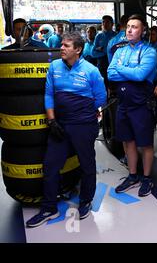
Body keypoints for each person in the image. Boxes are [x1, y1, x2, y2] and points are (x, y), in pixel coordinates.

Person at [26, 32, 107, 227]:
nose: (61, 48)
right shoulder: (54, 67)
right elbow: (48, 94)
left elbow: (101, 98)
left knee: (87, 165)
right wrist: (52, 121)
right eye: (61, 44)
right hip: (59, 126)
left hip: (84, 126)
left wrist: (83, 113)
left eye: (66, 45)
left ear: (77, 50)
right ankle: (49, 208)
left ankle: (86, 200)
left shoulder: (91, 70)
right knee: (50, 166)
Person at [107, 14, 157, 197]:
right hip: (123, 104)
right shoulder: (120, 50)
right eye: (128, 26)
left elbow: (140, 75)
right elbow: (110, 74)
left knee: (145, 143)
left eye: (134, 27)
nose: (129, 30)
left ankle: (146, 178)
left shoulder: (149, 51)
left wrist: (120, 68)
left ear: (143, 30)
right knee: (128, 141)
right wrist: (129, 71)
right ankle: (133, 175)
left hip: (141, 104)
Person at [92, 15, 116, 85]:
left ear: (112, 24)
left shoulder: (116, 36)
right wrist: (106, 52)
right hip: (101, 66)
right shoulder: (98, 36)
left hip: (113, 64)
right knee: (102, 85)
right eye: (103, 22)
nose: (105, 24)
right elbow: (93, 53)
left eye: (107, 22)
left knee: (113, 86)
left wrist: (101, 50)